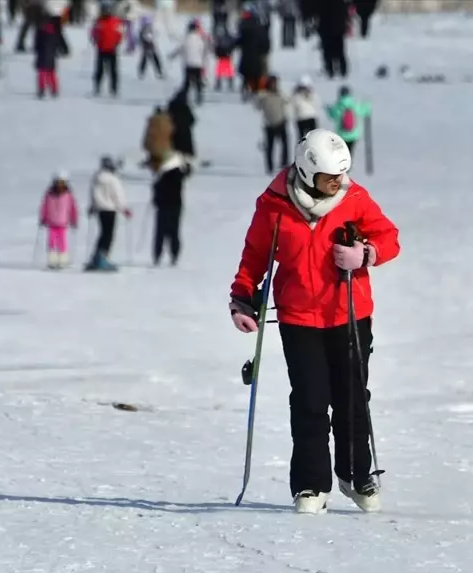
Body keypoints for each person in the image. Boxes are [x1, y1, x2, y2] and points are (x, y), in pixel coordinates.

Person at [229, 129, 401, 514]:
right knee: (309, 400)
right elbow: (254, 257)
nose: (338, 182)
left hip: (350, 314)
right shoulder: (274, 205)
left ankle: (356, 475)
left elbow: (389, 238)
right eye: (330, 176)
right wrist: (242, 299)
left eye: (342, 174)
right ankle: (310, 484)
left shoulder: (354, 199)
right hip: (299, 318)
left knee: (352, 397)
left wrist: (366, 254)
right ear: (307, 171)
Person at [86, 156, 132, 271]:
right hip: (110, 209)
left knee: (103, 233)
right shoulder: (113, 179)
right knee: (108, 235)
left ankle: (96, 258)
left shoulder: (96, 178)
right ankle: (102, 259)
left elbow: (93, 195)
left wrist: (92, 206)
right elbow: (117, 195)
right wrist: (124, 208)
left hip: (100, 210)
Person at [151, 151, 192, 266]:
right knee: (174, 232)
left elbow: (156, 189)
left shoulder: (161, 174)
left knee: (160, 232)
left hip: (163, 206)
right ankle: (174, 256)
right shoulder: (177, 174)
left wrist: (156, 201)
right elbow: (187, 172)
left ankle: (157, 256)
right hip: (175, 205)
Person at [39, 171, 79, 270]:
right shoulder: (49, 194)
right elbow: (44, 206)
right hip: (51, 222)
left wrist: (74, 219)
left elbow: (73, 207)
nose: (60, 184)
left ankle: (62, 260)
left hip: (63, 222)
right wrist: (43, 218)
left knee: (62, 242)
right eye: (58, 182)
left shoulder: (68, 195)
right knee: (51, 241)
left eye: (62, 182)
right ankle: (52, 261)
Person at [255, 76, 290, 174]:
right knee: (270, 146)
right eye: (272, 83)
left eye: (275, 83)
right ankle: (269, 167)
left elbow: (287, 101)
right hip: (269, 124)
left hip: (281, 121)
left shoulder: (280, 94)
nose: (274, 85)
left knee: (285, 144)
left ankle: (284, 163)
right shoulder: (264, 95)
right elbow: (257, 105)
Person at [90, 4, 124, 97]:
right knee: (99, 70)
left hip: (112, 49)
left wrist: (117, 42)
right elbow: (93, 32)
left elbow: (120, 33)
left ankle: (114, 88)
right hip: (101, 48)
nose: (105, 13)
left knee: (113, 70)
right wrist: (94, 40)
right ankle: (97, 87)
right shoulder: (98, 21)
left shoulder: (115, 21)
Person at [327, 85, 369, 156]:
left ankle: (344, 165)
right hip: (353, 135)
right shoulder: (355, 105)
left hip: (341, 135)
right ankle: (349, 163)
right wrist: (367, 106)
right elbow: (363, 111)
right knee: (350, 152)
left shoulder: (338, 106)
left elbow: (333, 116)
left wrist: (328, 109)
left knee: (342, 152)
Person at [33, 13, 66, 98]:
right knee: (51, 72)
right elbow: (61, 41)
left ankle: (42, 90)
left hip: (42, 53)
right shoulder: (56, 29)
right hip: (51, 53)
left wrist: (36, 48)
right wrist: (63, 49)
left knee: (42, 72)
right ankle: (54, 89)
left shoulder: (40, 29)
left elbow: (36, 43)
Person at [176, 18, 208, 104]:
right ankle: (199, 97)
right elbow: (204, 51)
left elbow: (180, 49)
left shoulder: (186, 38)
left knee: (187, 82)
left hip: (188, 63)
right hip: (198, 64)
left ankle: (184, 97)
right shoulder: (201, 39)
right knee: (198, 82)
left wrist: (173, 55)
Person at [290, 75, 321, 139]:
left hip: (310, 117)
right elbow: (294, 106)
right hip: (301, 118)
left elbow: (317, 104)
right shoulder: (296, 95)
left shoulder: (312, 94)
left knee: (313, 138)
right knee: (302, 139)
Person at [212, 20, 235, 90]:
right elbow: (232, 44)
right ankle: (230, 84)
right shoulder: (228, 36)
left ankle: (219, 84)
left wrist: (216, 53)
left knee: (220, 71)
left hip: (222, 56)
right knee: (228, 71)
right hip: (226, 56)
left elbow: (216, 46)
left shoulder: (219, 36)